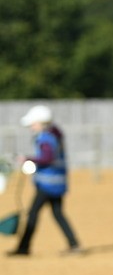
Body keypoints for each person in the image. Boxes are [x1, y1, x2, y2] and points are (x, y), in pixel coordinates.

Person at [8, 105, 83, 256]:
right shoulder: (56, 135)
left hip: (47, 184)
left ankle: (23, 248)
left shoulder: (45, 138)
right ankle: (74, 245)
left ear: (42, 122)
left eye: (33, 123)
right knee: (57, 213)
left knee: (33, 213)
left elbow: (47, 158)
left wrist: (27, 159)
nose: (31, 126)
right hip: (58, 182)